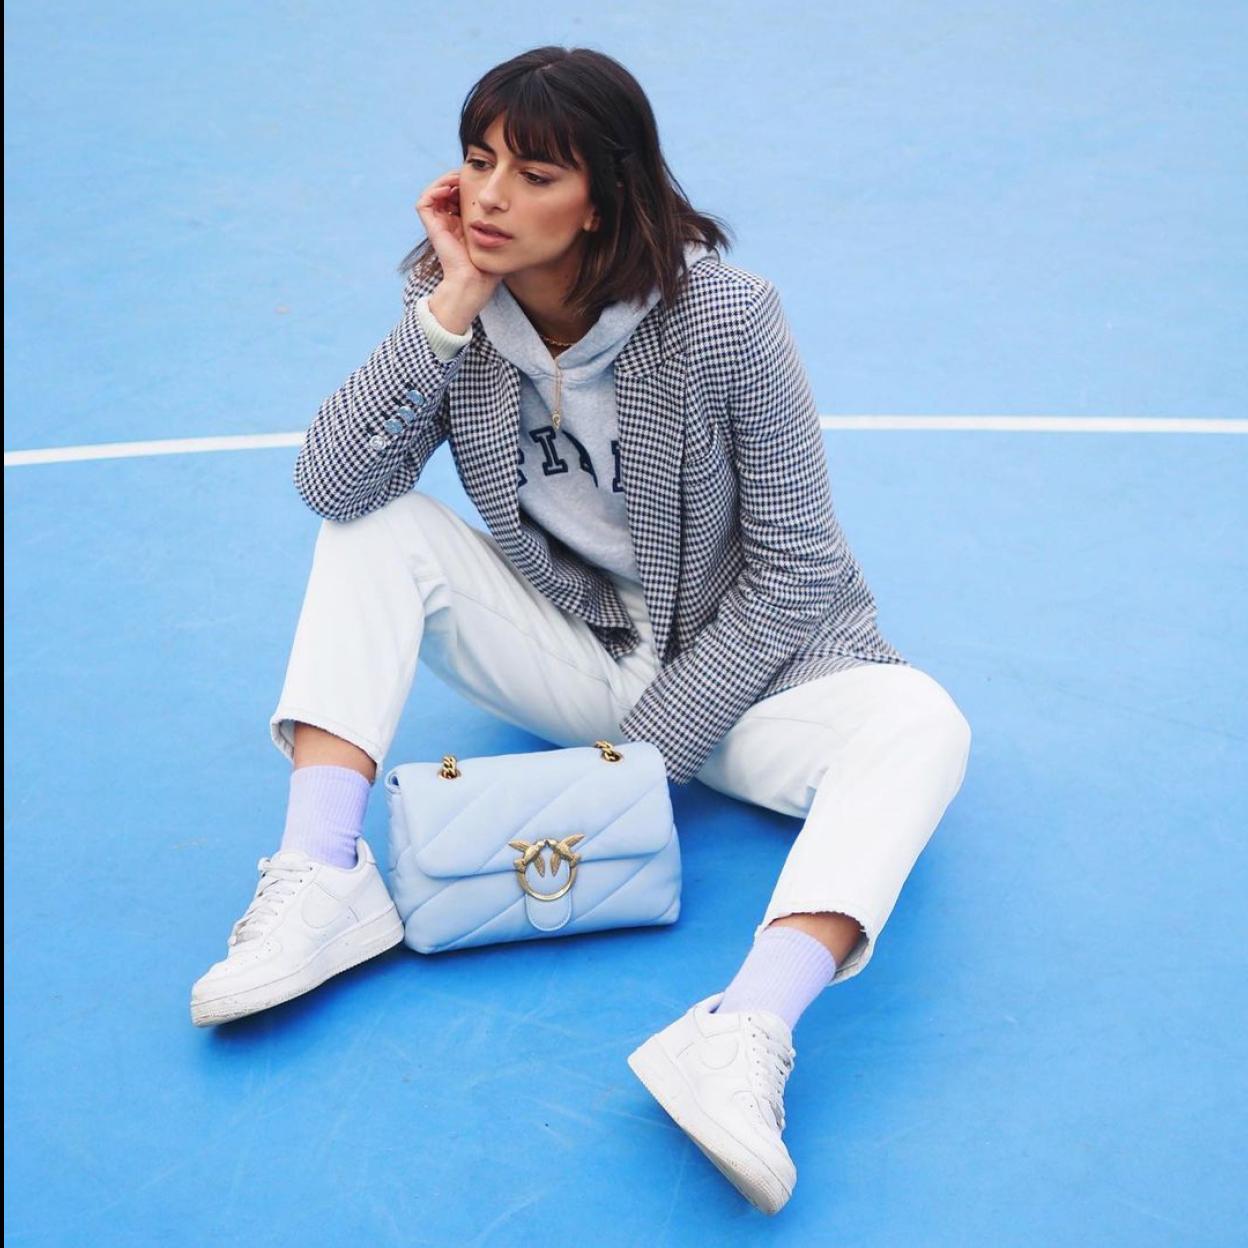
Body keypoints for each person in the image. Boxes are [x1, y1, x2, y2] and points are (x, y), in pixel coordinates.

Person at [190, 45, 971, 1215]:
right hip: (577, 651)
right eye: (477, 161)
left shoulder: (727, 319)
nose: (492, 197)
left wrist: (634, 766)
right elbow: (333, 483)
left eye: (535, 173)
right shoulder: (457, 306)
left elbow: (799, 570)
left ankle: (743, 1029)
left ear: (603, 196)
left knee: (922, 723)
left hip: (750, 677)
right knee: (377, 530)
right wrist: (448, 307)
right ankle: (323, 873)